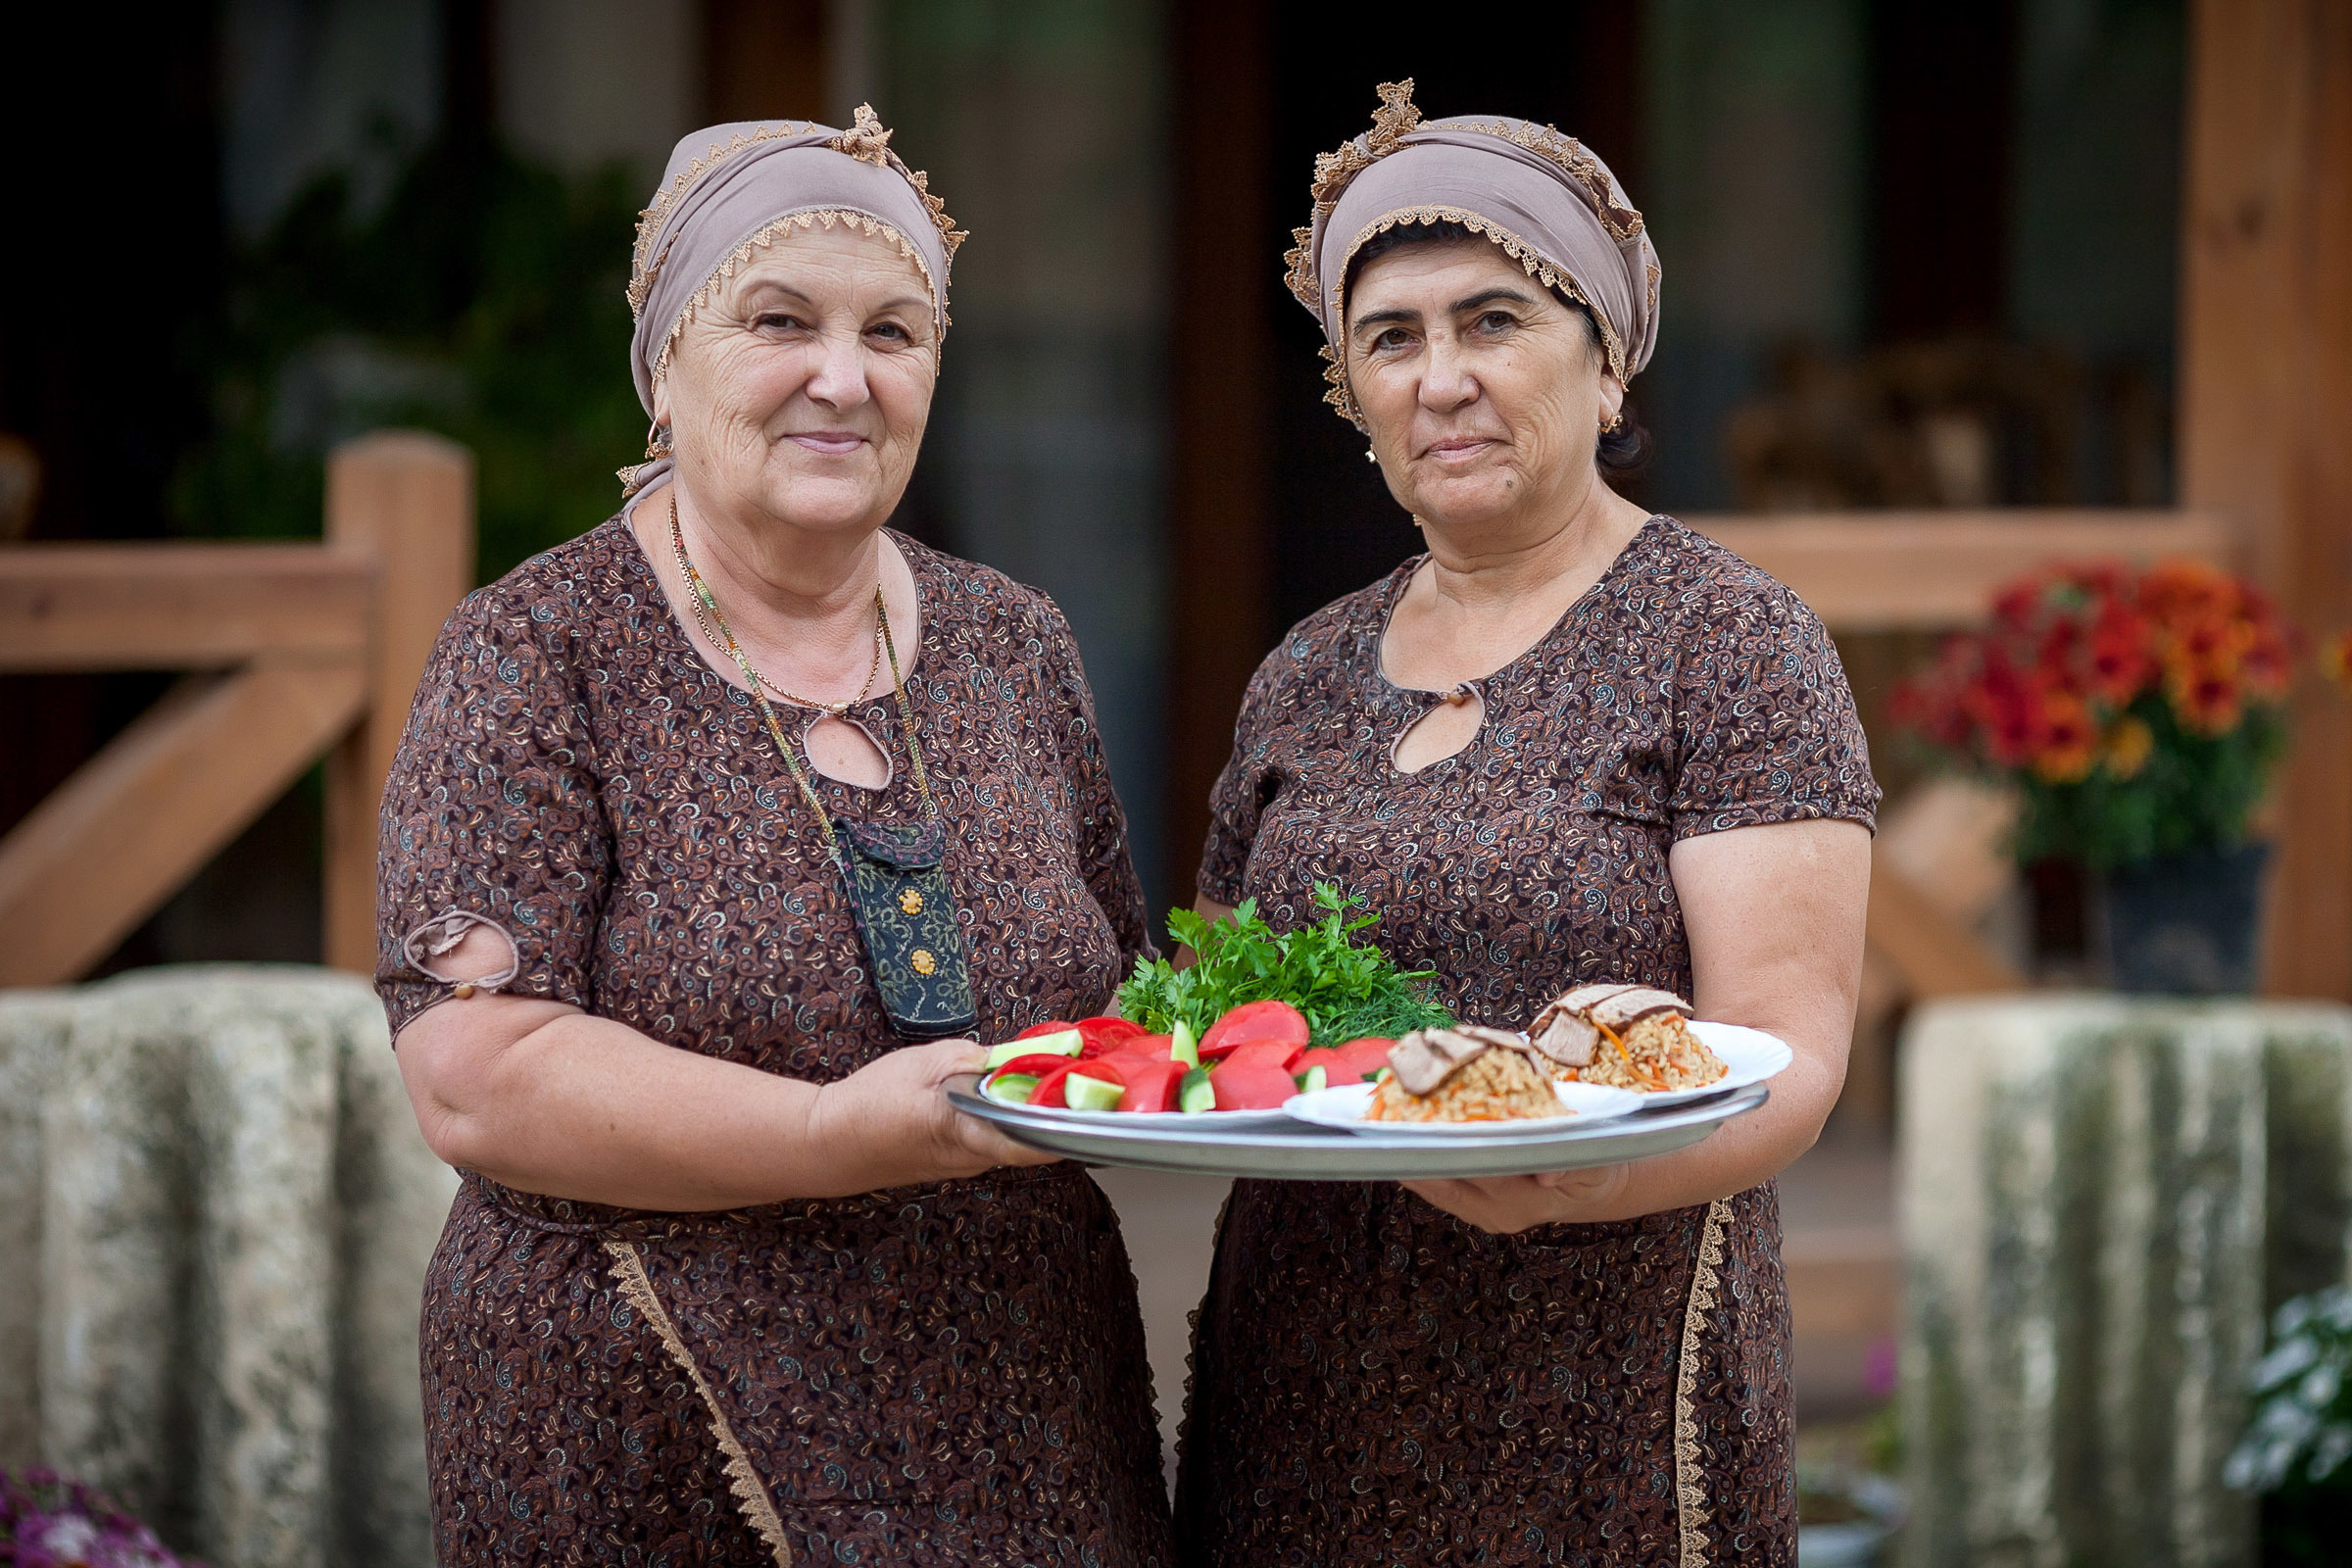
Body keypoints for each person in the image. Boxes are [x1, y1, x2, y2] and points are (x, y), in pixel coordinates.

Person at [378, 111, 1171, 1567]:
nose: (842, 377)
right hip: (647, 1419)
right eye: (779, 320)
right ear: (664, 367)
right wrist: (830, 1134)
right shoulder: (533, 650)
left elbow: (1118, 991)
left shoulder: (1016, 642)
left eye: (895, 332)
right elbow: (478, 1080)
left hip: (1024, 1407)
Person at [1173, 83, 1879, 1567]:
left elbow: (1790, 1059)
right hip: (1299, 1373)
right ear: (1351, 395)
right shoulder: (1303, 669)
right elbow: (1234, 1019)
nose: (1442, 379)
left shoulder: (1732, 642)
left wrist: (1584, 1183)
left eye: (1493, 321)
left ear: (1607, 365)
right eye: (1393, 338)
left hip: (1609, 1382)